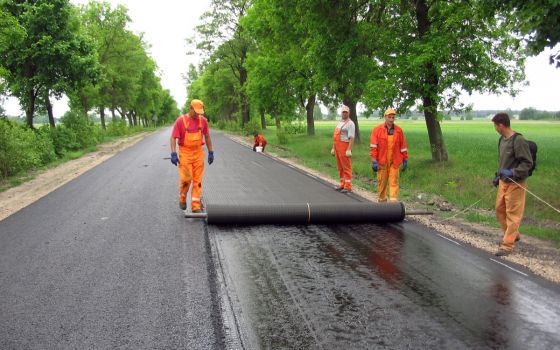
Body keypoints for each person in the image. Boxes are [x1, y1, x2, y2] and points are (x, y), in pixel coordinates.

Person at [492, 112, 533, 256]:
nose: (495, 128)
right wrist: (498, 176)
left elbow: (527, 163)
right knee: (499, 210)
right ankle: (513, 234)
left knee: (513, 214)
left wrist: (513, 172)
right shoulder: (501, 140)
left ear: (501, 125)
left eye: (495, 125)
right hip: (504, 182)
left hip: (516, 182)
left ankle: (507, 246)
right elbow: (503, 161)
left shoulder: (518, 140)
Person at [170, 99, 214, 212]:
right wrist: (173, 153)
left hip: (198, 153)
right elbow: (173, 137)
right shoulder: (180, 121)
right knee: (186, 178)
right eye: (196, 112)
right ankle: (183, 198)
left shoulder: (203, 121)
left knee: (198, 180)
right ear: (190, 108)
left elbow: (207, 136)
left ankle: (196, 206)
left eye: (200, 112)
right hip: (185, 152)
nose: (198, 114)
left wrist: (210, 152)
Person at [370, 108, 408, 202]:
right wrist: (374, 160)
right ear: (385, 117)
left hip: (395, 160)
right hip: (382, 161)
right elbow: (373, 146)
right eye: (389, 117)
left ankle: (393, 202)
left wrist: (405, 158)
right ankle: (382, 200)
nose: (391, 119)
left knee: (394, 181)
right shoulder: (377, 130)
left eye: (393, 117)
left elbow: (403, 146)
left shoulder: (399, 131)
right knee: (382, 182)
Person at [330, 105, 355, 193]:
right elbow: (335, 136)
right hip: (337, 146)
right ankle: (342, 184)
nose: (344, 114)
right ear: (341, 113)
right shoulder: (340, 122)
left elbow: (351, 138)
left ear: (348, 113)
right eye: (343, 112)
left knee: (346, 166)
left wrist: (349, 149)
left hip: (344, 146)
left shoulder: (350, 123)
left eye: (346, 112)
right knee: (340, 167)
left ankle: (348, 186)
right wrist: (333, 148)